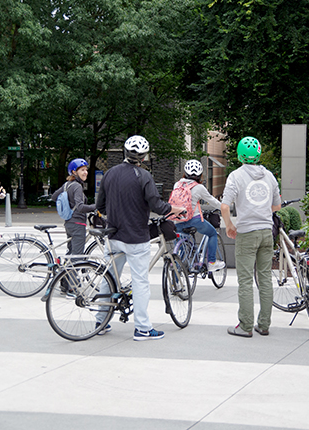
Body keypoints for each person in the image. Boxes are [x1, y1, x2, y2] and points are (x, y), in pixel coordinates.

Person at [95, 135, 184, 341]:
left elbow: (100, 206)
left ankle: (101, 320)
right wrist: (175, 209)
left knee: (110, 278)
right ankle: (142, 328)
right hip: (136, 237)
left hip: (114, 235)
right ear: (143, 157)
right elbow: (157, 206)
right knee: (140, 282)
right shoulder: (143, 176)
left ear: (125, 153)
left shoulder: (109, 174)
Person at [220, 136, 281, 338]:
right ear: (259, 154)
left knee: (245, 280)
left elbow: (225, 206)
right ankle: (264, 325)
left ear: (239, 155)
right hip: (266, 232)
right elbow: (276, 206)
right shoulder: (269, 176)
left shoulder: (235, 176)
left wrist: (230, 225)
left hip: (246, 233)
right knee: (264, 278)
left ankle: (245, 326)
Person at [173, 159, 225, 276]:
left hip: (178, 221)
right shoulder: (199, 188)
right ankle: (211, 262)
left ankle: (175, 284)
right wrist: (224, 207)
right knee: (211, 233)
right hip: (194, 220)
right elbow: (212, 201)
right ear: (200, 174)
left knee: (181, 250)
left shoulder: (177, 184)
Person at [51, 159, 96, 295]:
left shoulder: (67, 185)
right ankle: (72, 287)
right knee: (77, 257)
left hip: (69, 223)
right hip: (78, 224)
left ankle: (65, 284)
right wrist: (96, 207)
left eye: (86, 170)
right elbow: (81, 207)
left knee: (71, 255)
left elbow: (54, 197)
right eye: (82, 170)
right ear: (74, 172)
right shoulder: (76, 186)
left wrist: (67, 206)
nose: (86, 172)